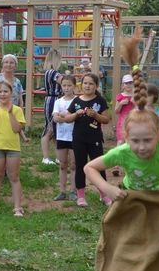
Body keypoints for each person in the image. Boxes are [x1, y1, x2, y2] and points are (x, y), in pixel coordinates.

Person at [82, 39, 159, 201]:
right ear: (127, 138)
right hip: (133, 199)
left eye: (148, 140)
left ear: (158, 136)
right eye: (135, 141)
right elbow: (89, 168)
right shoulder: (123, 152)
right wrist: (108, 188)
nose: (141, 147)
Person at [60, 72, 109, 208]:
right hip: (78, 139)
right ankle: (80, 196)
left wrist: (96, 115)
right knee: (80, 166)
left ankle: (104, 194)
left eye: (91, 83)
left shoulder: (100, 101)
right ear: (82, 85)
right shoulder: (76, 101)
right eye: (85, 83)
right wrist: (76, 114)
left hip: (95, 139)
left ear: (96, 86)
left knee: (99, 166)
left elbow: (106, 119)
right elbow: (67, 119)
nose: (87, 86)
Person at [0, 81, 26, 216]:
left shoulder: (17, 110)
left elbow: (17, 129)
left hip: (13, 148)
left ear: (11, 93)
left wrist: (10, 113)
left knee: (14, 177)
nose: (3, 94)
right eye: (0, 91)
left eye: (5, 91)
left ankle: (18, 207)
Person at [51, 74, 77, 201]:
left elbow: (75, 117)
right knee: (62, 165)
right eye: (64, 85)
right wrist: (66, 117)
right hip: (61, 137)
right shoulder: (58, 102)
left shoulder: (77, 101)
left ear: (74, 86)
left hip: (75, 137)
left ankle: (73, 190)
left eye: (69, 85)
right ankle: (62, 191)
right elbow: (55, 118)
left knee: (74, 165)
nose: (66, 88)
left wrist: (63, 117)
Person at [39, 48, 61, 165]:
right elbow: (63, 82)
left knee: (56, 129)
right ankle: (45, 157)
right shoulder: (54, 73)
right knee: (49, 128)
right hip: (53, 99)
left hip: (53, 99)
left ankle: (57, 157)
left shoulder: (48, 72)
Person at [113, 73, 134, 143]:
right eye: (126, 83)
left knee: (131, 142)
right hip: (122, 122)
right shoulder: (120, 96)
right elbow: (116, 111)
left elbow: (140, 109)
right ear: (123, 85)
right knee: (120, 142)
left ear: (133, 84)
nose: (128, 85)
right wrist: (121, 104)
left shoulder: (135, 96)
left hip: (133, 122)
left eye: (130, 83)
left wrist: (135, 102)